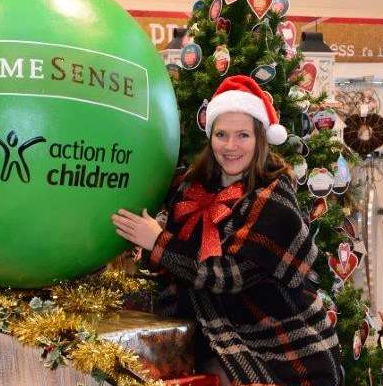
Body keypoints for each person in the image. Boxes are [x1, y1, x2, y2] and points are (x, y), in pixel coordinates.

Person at [112, 75, 342, 386]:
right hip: (215, 337)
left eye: (243, 135)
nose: (230, 146)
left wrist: (157, 241)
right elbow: (175, 260)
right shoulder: (191, 188)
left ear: (260, 138)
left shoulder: (274, 196)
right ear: (210, 137)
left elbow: (229, 276)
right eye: (221, 134)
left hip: (283, 348)